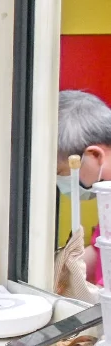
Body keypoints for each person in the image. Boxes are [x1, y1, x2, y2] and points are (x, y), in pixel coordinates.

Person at [57, 89, 111, 286]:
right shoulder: (107, 199)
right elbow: (101, 251)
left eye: (62, 172)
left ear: (94, 155)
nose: (60, 182)